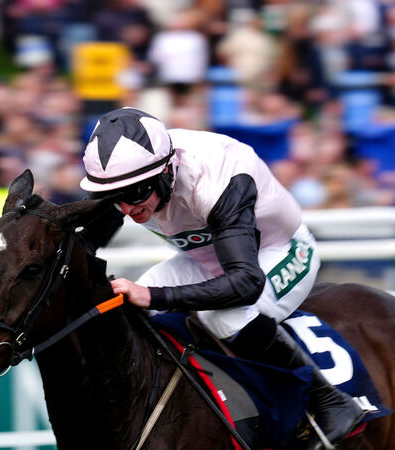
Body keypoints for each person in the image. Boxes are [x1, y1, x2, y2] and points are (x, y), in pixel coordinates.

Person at [79, 107, 365, 448]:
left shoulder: (215, 179)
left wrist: (154, 295)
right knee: (124, 307)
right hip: (208, 256)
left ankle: (330, 401)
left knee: (223, 317)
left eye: (136, 194)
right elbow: (85, 242)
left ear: (166, 171)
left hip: (277, 250)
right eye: (115, 197)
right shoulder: (127, 177)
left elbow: (245, 283)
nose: (126, 208)